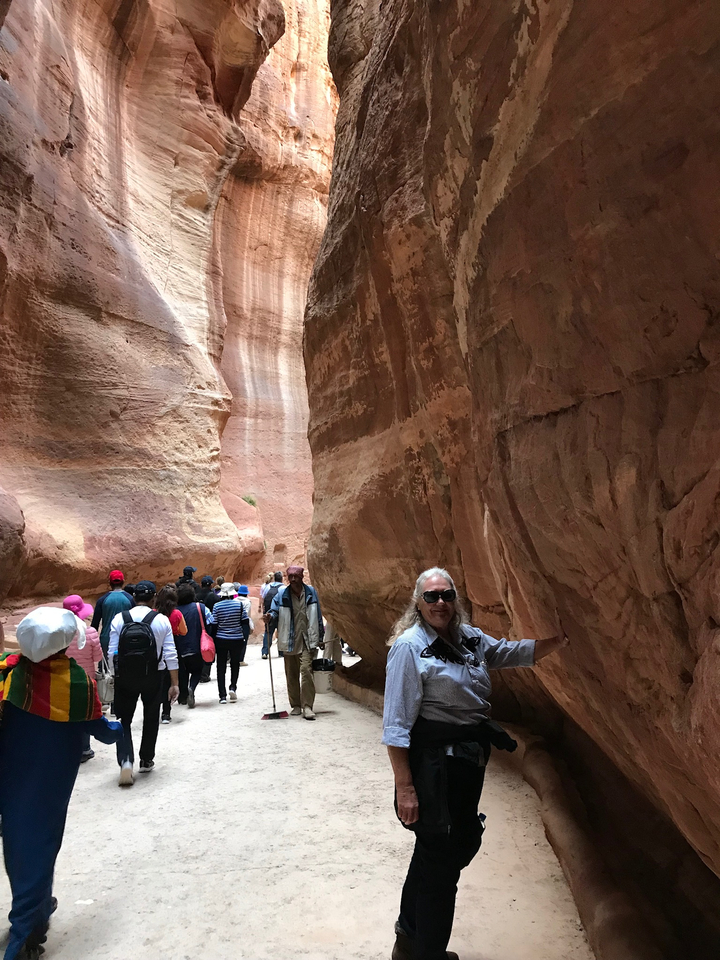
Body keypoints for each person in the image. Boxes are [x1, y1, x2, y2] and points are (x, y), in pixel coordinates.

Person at [383, 567, 568, 960]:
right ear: (418, 602)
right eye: (431, 596)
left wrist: (560, 640)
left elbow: (506, 652)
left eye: (446, 595)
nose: (440, 603)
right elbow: (396, 726)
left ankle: (409, 940)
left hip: (467, 762)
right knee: (443, 862)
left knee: (435, 850)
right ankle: (429, 953)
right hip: (434, 767)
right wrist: (405, 788)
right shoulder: (410, 647)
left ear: (455, 599)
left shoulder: (467, 638)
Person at [0, 607, 122, 960]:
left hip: (12, 776)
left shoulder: (10, 672)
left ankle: (36, 912)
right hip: (50, 782)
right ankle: (24, 935)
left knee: (20, 846)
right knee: (41, 844)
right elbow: (101, 730)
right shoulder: (74, 682)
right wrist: (119, 727)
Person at [108, 580, 179, 785]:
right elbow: (170, 654)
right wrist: (174, 683)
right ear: (153, 598)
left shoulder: (119, 619)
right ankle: (146, 759)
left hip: (125, 677)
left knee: (124, 719)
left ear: (134, 597)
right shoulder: (161, 620)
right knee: (150, 717)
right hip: (153, 676)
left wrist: (115, 676)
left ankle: (126, 761)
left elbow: (113, 652)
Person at [266, 565, 324, 720]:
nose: (292, 580)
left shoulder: (311, 593)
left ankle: (307, 706)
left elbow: (318, 615)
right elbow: (274, 610)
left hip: (307, 639)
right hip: (289, 639)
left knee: (306, 671)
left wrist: (320, 637)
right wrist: (270, 616)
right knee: (291, 674)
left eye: (295, 577)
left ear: (301, 577)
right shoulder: (282, 595)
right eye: (290, 577)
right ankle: (296, 705)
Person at [63, 594, 102, 761]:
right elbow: (97, 658)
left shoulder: (60, 634)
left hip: (64, 677)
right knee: (86, 712)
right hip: (87, 678)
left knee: (68, 712)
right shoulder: (90, 632)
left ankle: (69, 747)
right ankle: (85, 748)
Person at [176, 583, 214, 707]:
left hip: (179, 648)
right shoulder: (200, 607)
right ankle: (191, 687)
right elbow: (211, 622)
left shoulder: (175, 611)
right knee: (197, 671)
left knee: (183, 672)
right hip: (197, 646)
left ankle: (183, 697)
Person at [155, 584, 187, 723]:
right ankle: (166, 713)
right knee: (171, 677)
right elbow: (184, 631)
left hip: (157, 646)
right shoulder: (177, 614)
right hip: (174, 645)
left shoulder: (154, 613)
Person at [212, 582, 245, 703]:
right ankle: (233, 687)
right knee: (235, 664)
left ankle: (222, 695)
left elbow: (214, 623)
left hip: (221, 639)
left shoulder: (217, 606)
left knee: (221, 667)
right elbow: (245, 621)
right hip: (237, 638)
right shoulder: (239, 605)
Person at [91, 569, 133, 660]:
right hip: (126, 639)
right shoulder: (130, 599)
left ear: (110, 583)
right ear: (123, 582)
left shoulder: (102, 600)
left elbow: (95, 625)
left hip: (107, 640)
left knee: (106, 670)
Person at [261, 572, 283, 658]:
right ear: (281, 578)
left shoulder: (267, 586)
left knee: (268, 632)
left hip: (268, 613)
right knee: (281, 632)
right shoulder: (283, 588)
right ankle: (281, 652)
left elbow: (263, 598)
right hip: (280, 613)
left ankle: (265, 652)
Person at [237, 585, 252, 665]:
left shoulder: (234, 600)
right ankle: (241, 660)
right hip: (244, 623)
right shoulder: (247, 602)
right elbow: (247, 614)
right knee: (244, 641)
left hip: (235, 622)